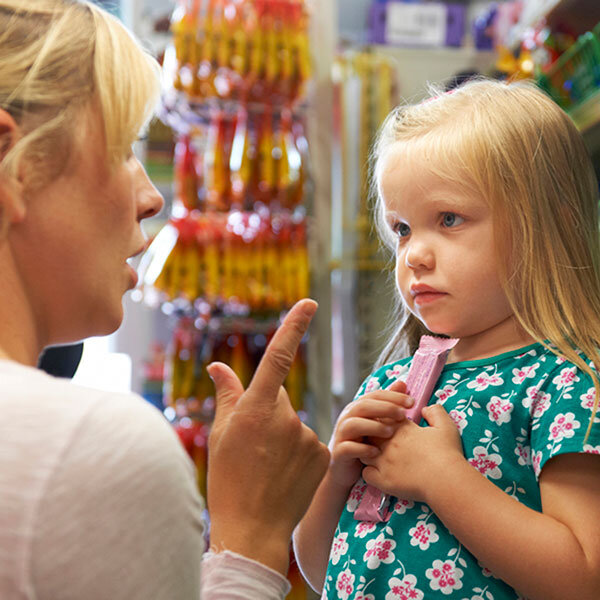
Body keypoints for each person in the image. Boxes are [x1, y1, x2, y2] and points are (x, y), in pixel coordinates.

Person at [0, 1, 329, 598]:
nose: (152, 198)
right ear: (13, 166)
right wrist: (251, 539)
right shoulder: (91, 449)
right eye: (124, 146)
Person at [294, 79, 600, 600]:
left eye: (450, 219)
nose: (413, 254)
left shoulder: (569, 384)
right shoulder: (394, 380)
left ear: (544, 225)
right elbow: (321, 566)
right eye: (404, 228)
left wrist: (441, 478)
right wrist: (336, 474)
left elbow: (583, 579)